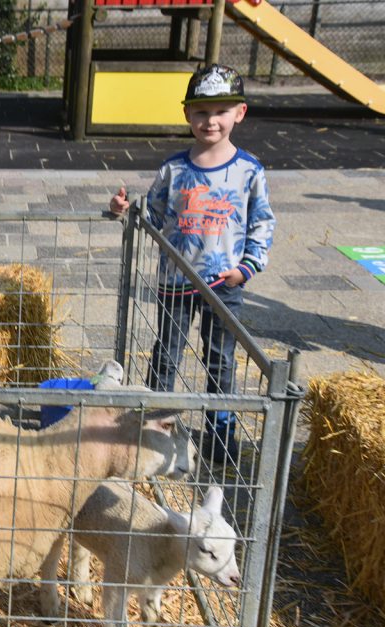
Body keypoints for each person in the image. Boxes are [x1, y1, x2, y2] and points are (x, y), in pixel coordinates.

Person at [109, 64, 276, 464]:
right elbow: (152, 214)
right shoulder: (174, 169)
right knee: (165, 355)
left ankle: (221, 436)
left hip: (225, 284)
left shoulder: (249, 171)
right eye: (200, 111)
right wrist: (124, 208)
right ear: (187, 114)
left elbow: (262, 223)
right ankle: (154, 429)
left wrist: (248, 266)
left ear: (240, 112)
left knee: (220, 358)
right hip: (176, 282)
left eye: (220, 111)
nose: (210, 121)